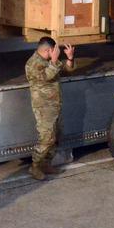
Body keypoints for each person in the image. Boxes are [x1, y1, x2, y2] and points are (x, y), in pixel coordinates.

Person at [24, 36, 75, 181]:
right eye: (55, 51)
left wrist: (69, 58)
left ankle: (46, 164)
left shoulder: (48, 61)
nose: (56, 53)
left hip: (55, 105)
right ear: (49, 50)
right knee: (46, 138)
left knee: (55, 137)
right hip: (43, 107)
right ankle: (35, 166)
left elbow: (66, 69)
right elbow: (47, 76)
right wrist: (54, 61)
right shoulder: (32, 63)